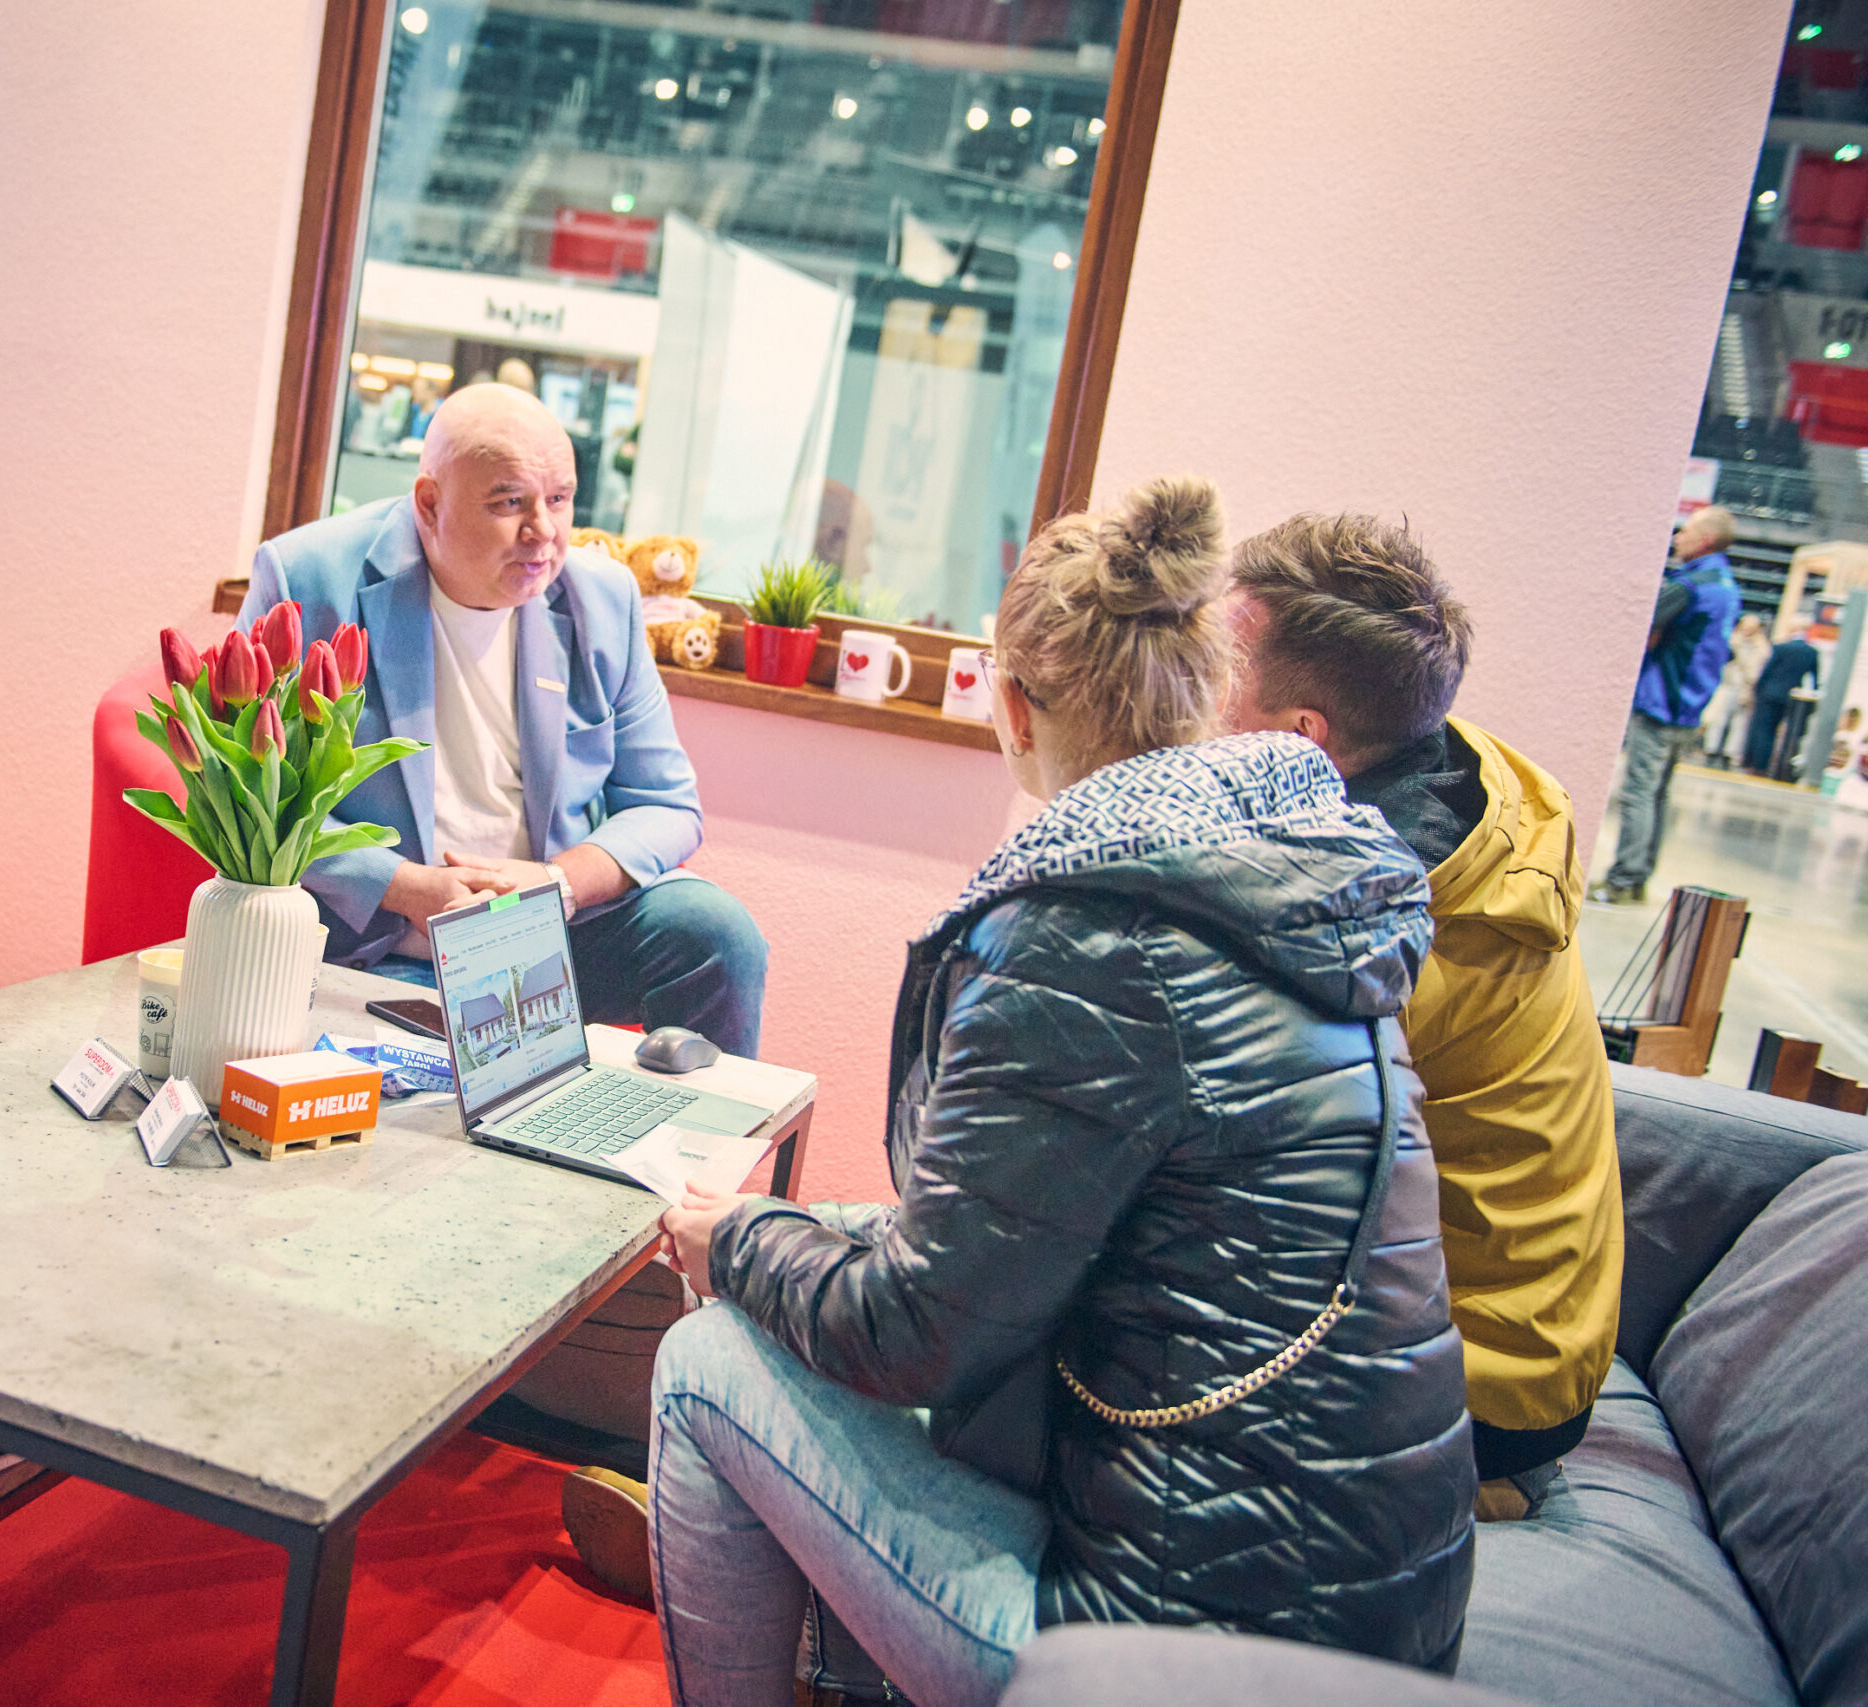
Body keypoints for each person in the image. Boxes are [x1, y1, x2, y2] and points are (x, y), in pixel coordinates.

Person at [643, 478, 1474, 1707]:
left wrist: (733, 1241)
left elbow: (914, 1334)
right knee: (820, 1254)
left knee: (708, 1358)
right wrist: (802, 1233)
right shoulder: (1298, 875)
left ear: (1013, 703)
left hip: (1189, 1655)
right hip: (1373, 1618)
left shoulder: (1089, 934)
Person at [241, 381, 767, 1459]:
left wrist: (559, 882)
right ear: (428, 504)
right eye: (510, 504)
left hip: (546, 925)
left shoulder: (600, 599)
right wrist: (408, 887)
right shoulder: (311, 580)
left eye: (561, 501)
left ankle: (677, 1261)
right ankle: (420, 1343)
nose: (545, 535)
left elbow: (669, 806)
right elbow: (262, 800)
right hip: (385, 941)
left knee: (717, 935)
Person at [1218, 512, 1621, 1523]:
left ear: (1299, 736)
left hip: (1488, 1383)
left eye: (1212, 667)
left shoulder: (1383, 917)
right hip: (1534, 1341)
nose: (1186, 687)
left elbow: (1228, 1145)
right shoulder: (1445, 772)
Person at [1593, 506, 1740, 903]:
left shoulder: (1689, 586)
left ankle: (1622, 880)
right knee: (1657, 794)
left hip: (1662, 705)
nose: (1677, 538)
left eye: (1686, 531)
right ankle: (1638, 877)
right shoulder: (1726, 585)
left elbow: (1641, 626)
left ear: (1705, 540)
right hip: (1691, 708)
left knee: (1639, 793)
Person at [1742, 630, 1821, 776]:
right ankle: (1780, 767)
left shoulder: (1781, 648)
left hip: (1769, 694)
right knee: (1788, 733)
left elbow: (1767, 670)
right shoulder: (1811, 652)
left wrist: (1757, 688)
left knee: (1764, 729)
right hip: (1791, 697)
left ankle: (1759, 765)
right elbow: (1815, 677)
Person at [1704, 613, 1770, 765]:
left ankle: (1729, 753)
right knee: (1718, 719)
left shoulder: (1761, 647)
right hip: (1726, 684)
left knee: (1739, 723)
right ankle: (1711, 749)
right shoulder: (1731, 640)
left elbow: (1756, 670)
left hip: (1745, 687)